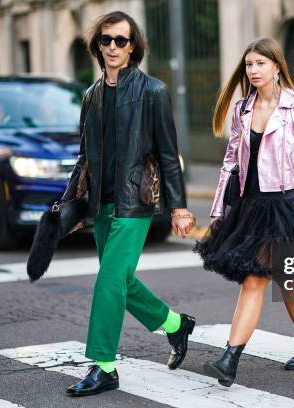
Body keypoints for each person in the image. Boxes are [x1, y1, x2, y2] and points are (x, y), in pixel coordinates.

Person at [194, 37, 294, 387]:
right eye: (249, 64)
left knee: (255, 279)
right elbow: (230, 163)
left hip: (285, 205)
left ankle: (229, 358)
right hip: (250, 206)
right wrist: (219, 210)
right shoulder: (242, 109)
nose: (253, 71)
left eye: (260, 64)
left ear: (277, 66)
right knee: (286, 279)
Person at [62, 11, 196, 397]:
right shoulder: (91, 96)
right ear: (97, 46)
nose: (113, 47)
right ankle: (174, 324)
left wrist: (179, 207)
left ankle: (104, 366)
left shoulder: (153, 91)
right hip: (101, 204)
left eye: (121, 40)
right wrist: (69, 205)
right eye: (106, 40)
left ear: (133, 45)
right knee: (121, 280)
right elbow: (84, 156)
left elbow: (169, 155)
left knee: (107, 280)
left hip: (135, 202)